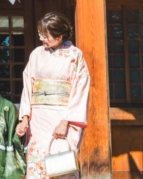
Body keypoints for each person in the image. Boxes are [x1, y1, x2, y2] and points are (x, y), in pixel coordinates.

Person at [17, 12, 90, 179]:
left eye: (46, 35)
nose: (42, 39)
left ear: (59, 36)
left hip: (62, 117)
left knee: (60, 162)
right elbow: (28, 85)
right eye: (40, 34)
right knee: (37, 162)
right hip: (38, 119)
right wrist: (25, 118)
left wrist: (66, 121)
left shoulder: (74, 55)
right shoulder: (36, 53)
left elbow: (80, 89)